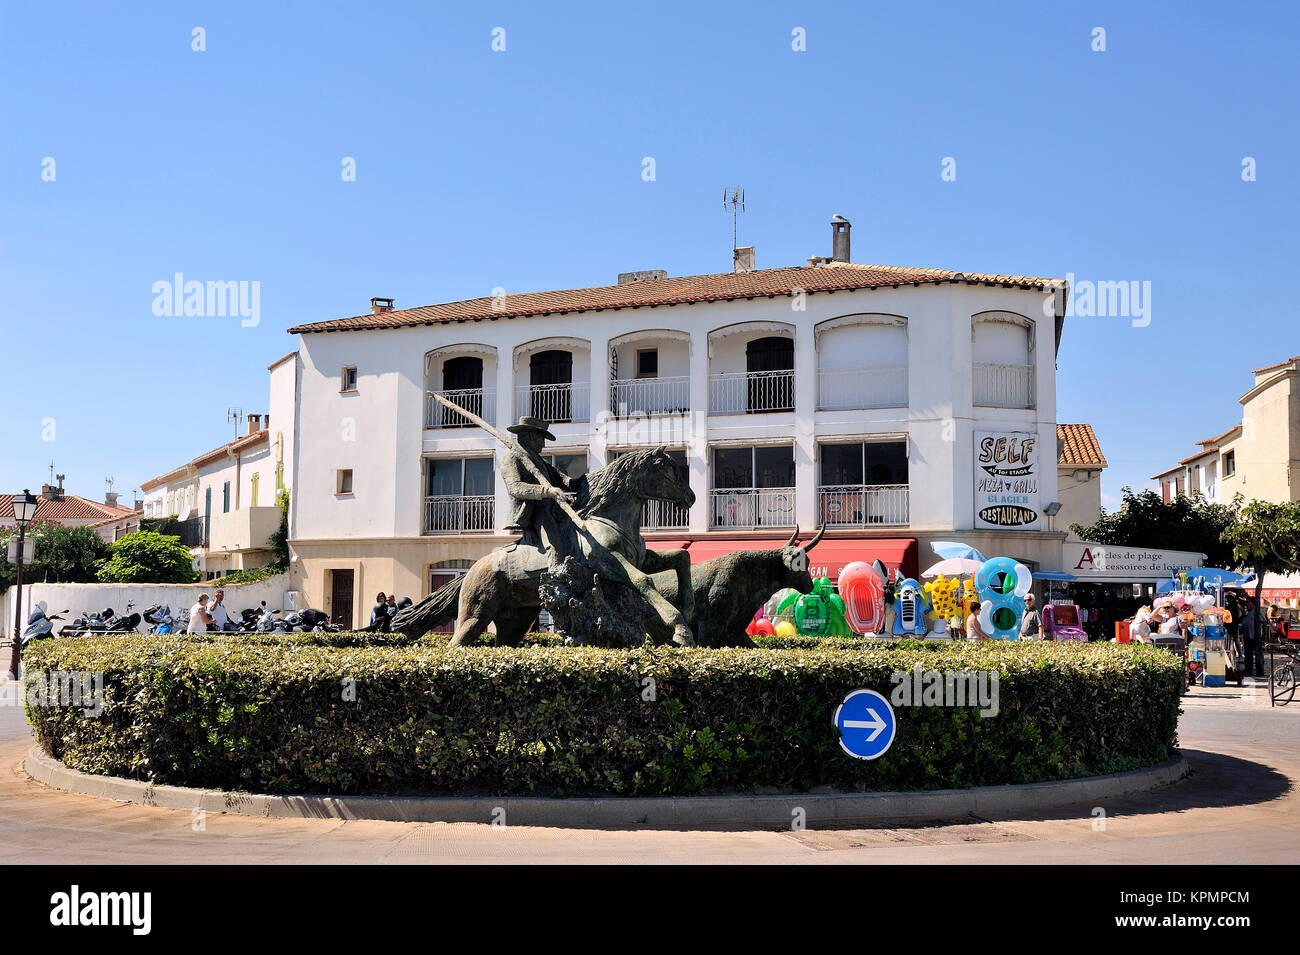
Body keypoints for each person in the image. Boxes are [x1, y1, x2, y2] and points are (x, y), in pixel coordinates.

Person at [501, 416, 578, 551]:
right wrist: (546, 491)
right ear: (530, 436)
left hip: (553, 508)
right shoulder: (512, 458)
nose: (543, 444)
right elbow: (515, 488)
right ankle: (556, 569)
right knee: (556, 547)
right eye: (541, 439)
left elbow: (563, 480)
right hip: (535, 513)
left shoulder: (538, 460)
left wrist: (588, 481)